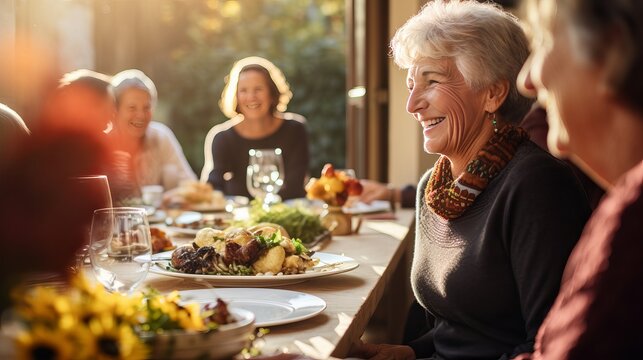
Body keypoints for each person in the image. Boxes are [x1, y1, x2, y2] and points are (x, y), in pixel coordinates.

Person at [350, 1, 591, 359]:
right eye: (411, 84)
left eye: (431, 81)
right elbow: (459, 329)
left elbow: (549, 345)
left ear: (493, 93)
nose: (412, 104)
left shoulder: (536, 185)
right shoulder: (433, 188)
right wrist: (410, 353)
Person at [511, 0, 643, 358]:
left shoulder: (632, 220)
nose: (526, 80)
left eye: (542, 41)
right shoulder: (620, 200)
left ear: (611, 51)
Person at [203, 56, 309, 200]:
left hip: (285, 215)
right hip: (238, 219)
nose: (251, 97)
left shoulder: (295, 129)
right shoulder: (222, 138)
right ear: (236, 96)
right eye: (244, 90)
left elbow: (295, 186)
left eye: (258, 89)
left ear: (272, 93)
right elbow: (214, 186)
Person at [108, 69, 196, 200]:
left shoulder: (161, 137)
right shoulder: (104, 143)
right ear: (115, 110)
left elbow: (191, 186)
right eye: (132, 108)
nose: (141, 115)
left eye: (146, 107)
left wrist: (168, 198)